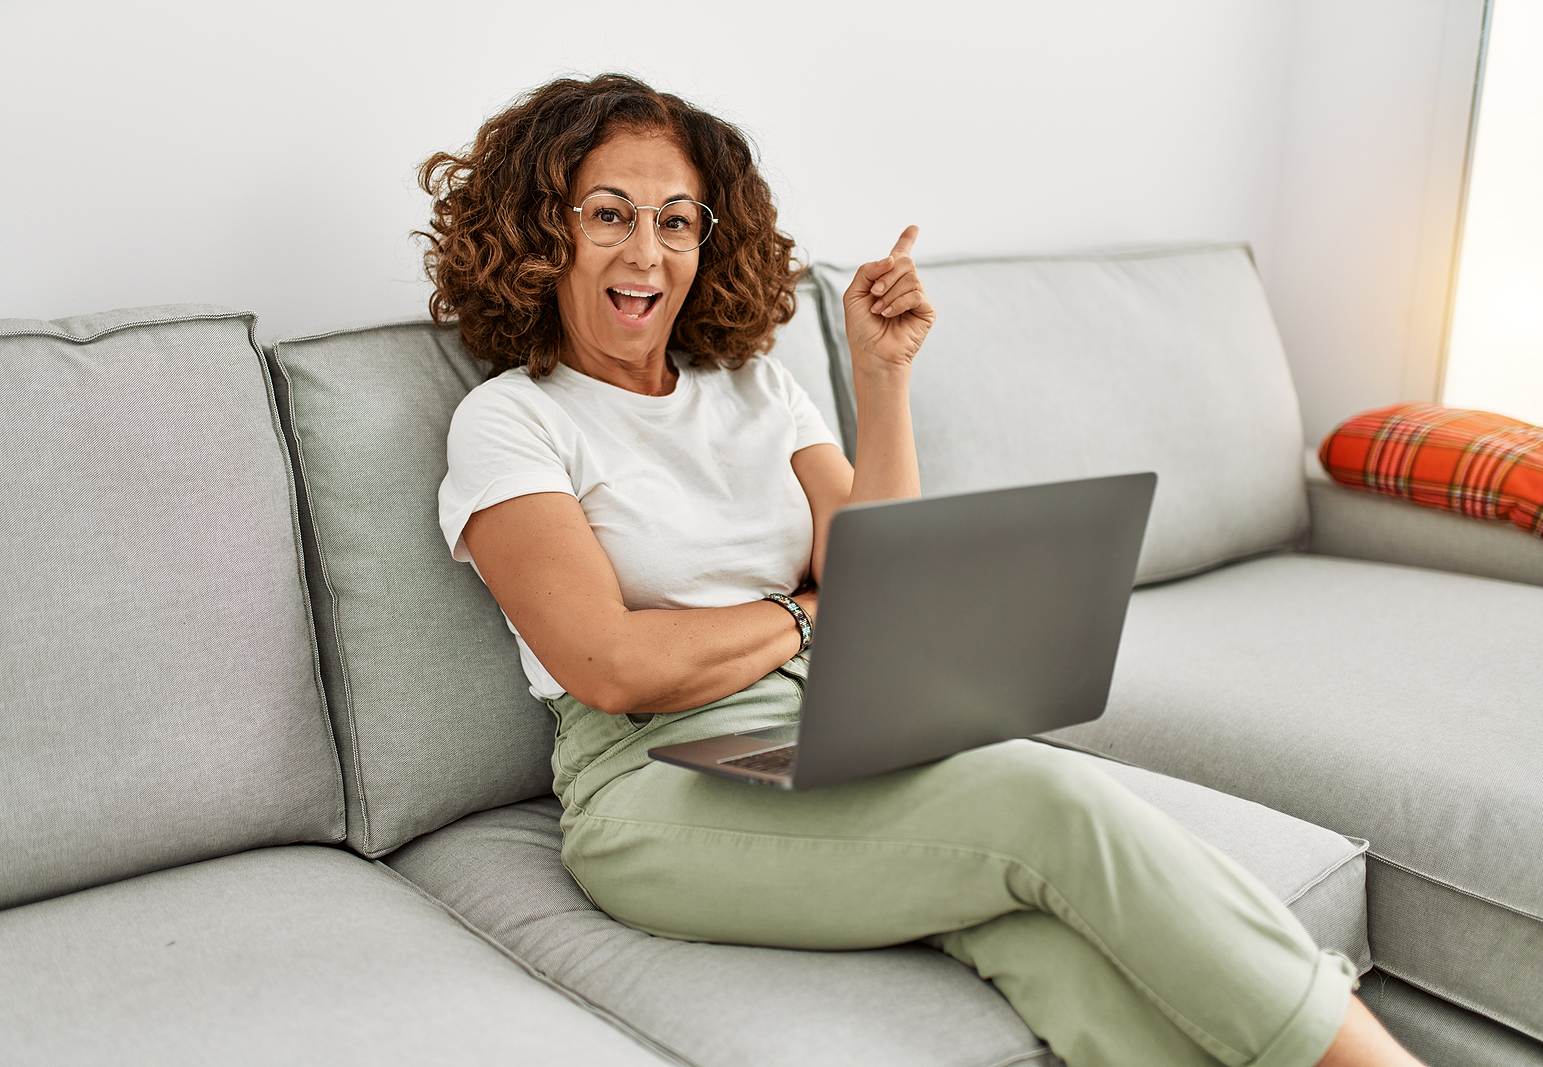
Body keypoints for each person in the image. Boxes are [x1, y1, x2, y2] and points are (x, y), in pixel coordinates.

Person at [426, 73, 1421, 1067]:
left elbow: (884, 578)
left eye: (676, 221)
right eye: (610, 214)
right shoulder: (514, 419)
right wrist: (809, 613)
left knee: (1039, 934)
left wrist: (882, 376)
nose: (647, 251)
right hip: (649, 781)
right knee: (1049, 802)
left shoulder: (755, 388)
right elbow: (609, 665)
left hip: (832, 725)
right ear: (543, 230)